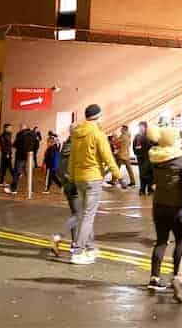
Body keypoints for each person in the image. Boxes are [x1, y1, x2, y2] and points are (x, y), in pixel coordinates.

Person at [65, 103, 117, 264]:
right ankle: (78, 251)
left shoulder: (76, 133)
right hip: (93, 178)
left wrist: (72, 176)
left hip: (79, 178)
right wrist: (116, 173)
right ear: (98, 116)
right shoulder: (97, 134)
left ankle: (90, 247)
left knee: (85, 214)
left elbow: (72, 158)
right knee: (88, 216)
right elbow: (107, 156)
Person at [146, 126, 182, 300]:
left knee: (161, 241)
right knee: (181, 240)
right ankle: (177, 276)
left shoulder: (156, 157)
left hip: (158, 204)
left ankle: (154, 277)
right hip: (176, 205)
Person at [7, 123, 39, 194]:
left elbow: (16, 144)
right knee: (28, 173)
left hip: (20, 156)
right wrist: (32, 151)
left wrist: (14, 146)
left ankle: (13, 189)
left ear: (22, 128)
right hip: (29, 156)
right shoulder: (34, 134)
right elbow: (37, 145)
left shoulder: (20, 134)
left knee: (17, 172)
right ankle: (31, 189)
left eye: (20, 127)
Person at [133, 121, 155, 195]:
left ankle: (149, 189)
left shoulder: (149, 136)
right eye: (140, 127)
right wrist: (137, 154)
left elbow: (153, 145)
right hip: (141, 158)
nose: (141, 128)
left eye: (142, 127)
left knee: (149, 174)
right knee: (142, 174)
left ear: (145, 127)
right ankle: (142, 189)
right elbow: (135, 147)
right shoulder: (137, 136)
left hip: (149, 157)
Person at [115, 125, 136, 190]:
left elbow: (117, 141)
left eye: (122, 129)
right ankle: (133, 181)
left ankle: (113, 180)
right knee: (128, 168)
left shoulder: (124, 136)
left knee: (116, 168)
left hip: (122, 154)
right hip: (126, 154)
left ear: (124, 129)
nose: (120, 130)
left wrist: (114, 137)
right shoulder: (128, 136)